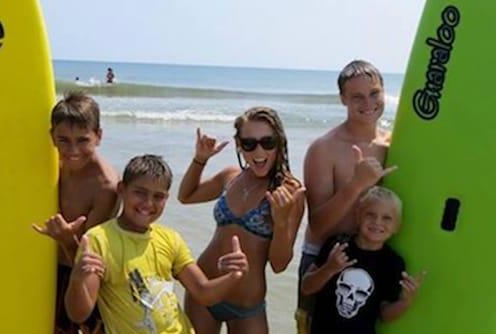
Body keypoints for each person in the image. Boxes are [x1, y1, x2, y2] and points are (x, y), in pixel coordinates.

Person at [65, 154, 249, 334]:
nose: (148, 203)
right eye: (140, 193)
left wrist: (234, 276)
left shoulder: (170, 239)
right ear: (121, 189)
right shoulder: (98, 241)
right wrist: (77, 279)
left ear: (166, 199)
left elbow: (203, 292)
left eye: (158, 196)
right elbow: (78, 314)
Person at [177, 106, 306, 333]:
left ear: (279, 143)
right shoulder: (231, 177)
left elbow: (279, 264)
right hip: (204, 290)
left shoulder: (289, 192)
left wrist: (282, 222)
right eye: (249, 143)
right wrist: (200, 159)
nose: (259, 151)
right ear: (238, 144)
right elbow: (186, 196)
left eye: (268, 142)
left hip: (247, 305)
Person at [296, 60, 397, 333]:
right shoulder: (323, 149)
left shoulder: (394, 144)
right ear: (343, 99)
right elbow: (318, 226)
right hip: (327, 259)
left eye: (374, 93)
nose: (368, 102)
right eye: (357, 97)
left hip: (371, 258)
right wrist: (356, 185)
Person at [32, 91, 120, 334]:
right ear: (52, 137)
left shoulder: (105, 187)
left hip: (80, 280)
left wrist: (66, 240)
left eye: (82, 140)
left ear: (98, 136)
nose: (72, 150)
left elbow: (88, 263)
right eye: (64, 140)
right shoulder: (51, 164)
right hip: (43, 267)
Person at [301, 186, 424, 334]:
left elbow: (384, 315)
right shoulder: (337, 245)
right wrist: (329, 268)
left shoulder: (392, 263)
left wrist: (405, 302)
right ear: (358, 216)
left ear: (397, 226)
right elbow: (306, 287)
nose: (377, 222)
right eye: (370, 215)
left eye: (387, 218)